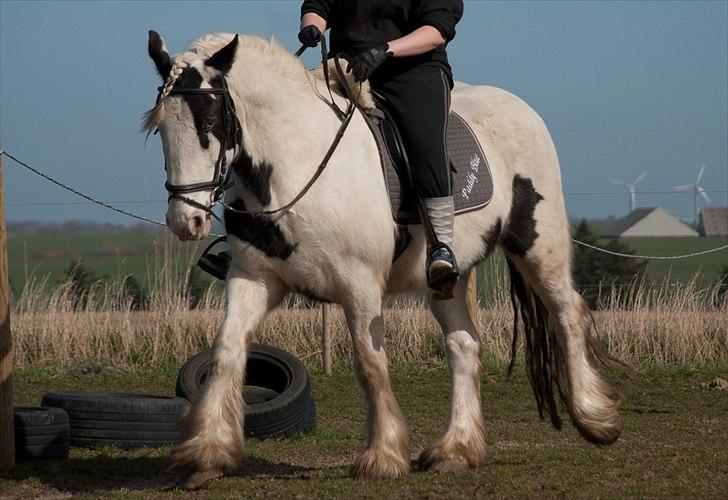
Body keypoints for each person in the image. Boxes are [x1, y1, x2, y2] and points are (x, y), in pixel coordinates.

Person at [298, 0, 464, 299]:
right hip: (346, 70)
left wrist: (384, 50)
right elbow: (319, 5)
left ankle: (441, 245)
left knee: (424, 144)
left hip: (412, 71)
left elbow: (437, 31)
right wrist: (312, 26)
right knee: (288, 119)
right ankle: (259, 232)